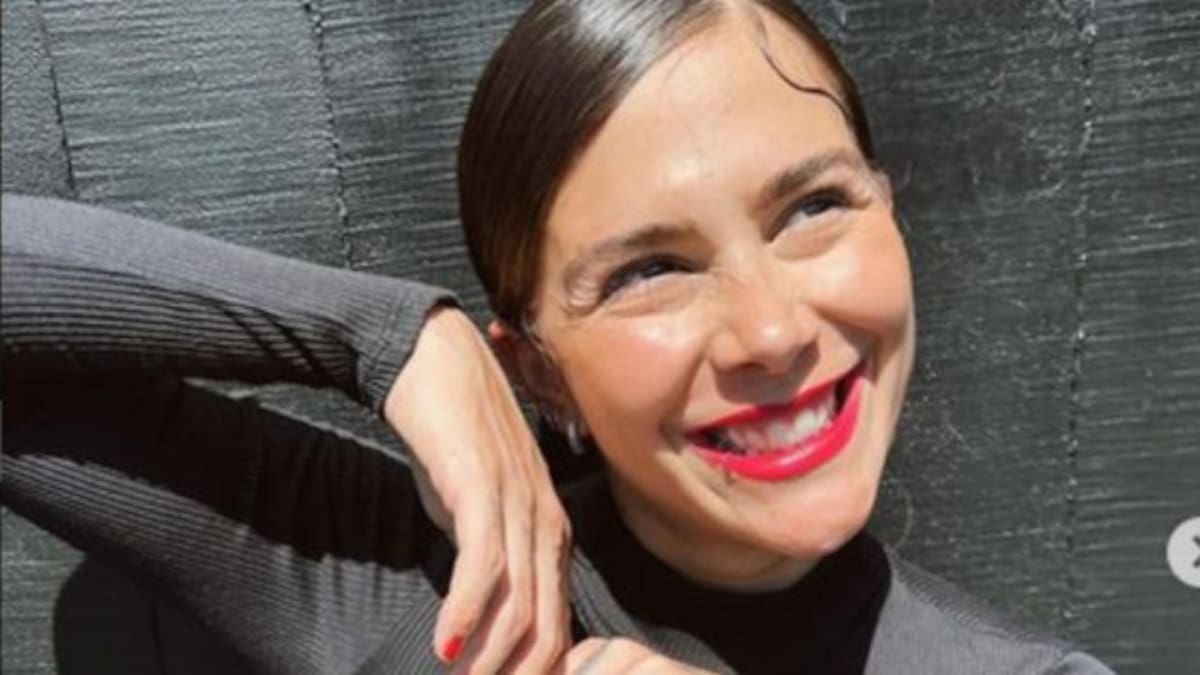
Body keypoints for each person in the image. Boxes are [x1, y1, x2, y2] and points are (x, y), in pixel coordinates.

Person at [1, 0, 1113, 673]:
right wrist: (391, 337)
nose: (772, 330)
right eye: (648, 271)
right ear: (536, 372)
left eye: (814, 206)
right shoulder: (436, 602)